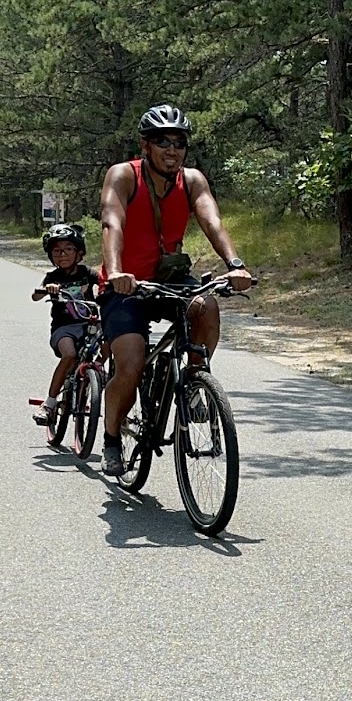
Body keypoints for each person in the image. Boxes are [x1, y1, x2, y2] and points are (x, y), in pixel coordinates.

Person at [97, 105, 253, 476]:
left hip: (167, 279)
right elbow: (111, 222)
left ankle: (195, 383)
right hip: (126, 284)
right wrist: (117, 271)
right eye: (162, 141)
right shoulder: (124, 176)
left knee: (206, 305)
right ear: (145, 145)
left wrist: (235, 265)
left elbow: (211, 219)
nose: (172, 149)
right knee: (132, 364)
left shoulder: (193, 180)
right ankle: (112, 439)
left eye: (179, 142)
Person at [30, 223, 98, 427]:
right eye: (56, 251)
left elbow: (104, 282)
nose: (62, 254)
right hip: (64, 328)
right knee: (69, 354)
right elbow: (35, 295)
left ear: (79, 253)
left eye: (68, 249)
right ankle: (49, 404)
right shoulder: (53, 277)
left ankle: (94, 387)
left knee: (109, 347)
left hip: (90, 325)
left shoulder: (88, 273)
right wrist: (47, 289)